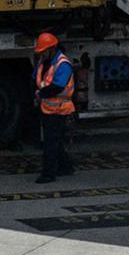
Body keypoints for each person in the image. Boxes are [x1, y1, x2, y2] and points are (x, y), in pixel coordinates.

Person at [33, 31, 75, 183]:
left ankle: (48, 174)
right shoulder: (44, 63)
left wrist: (41, 94)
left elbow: (57, 86)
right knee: (55, 141)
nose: (41, 55)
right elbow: (36, 79)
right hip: (48, 108)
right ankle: (65, 167)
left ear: (51, 49)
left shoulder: (62, 64)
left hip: (59, 109)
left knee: (50, 142)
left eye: (43, 52)